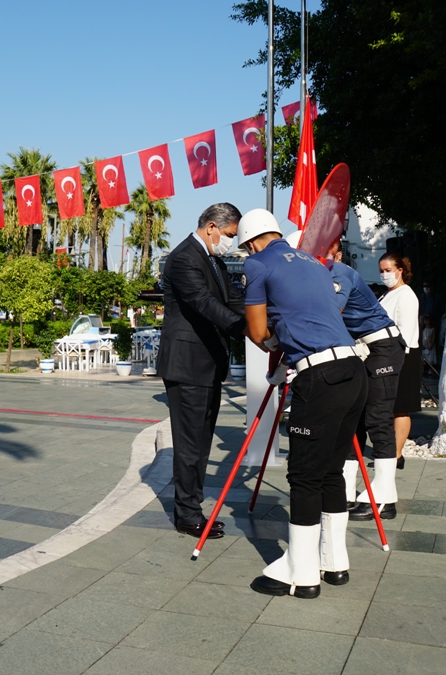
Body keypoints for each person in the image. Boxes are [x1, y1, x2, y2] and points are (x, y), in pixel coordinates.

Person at [238, 210, 367, 599]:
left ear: (250, 242)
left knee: (305, 475)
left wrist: (271, 339)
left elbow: (257, 331)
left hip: (320, 376)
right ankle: (335, 562)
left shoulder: (257, 263)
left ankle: (301, 571)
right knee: (331, 471)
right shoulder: (314, 262)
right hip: (354, 371)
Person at [158, 202, 247, 541]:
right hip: (188, 364)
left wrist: (267, 321)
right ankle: (187, 514)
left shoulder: (214, 260)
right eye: (229, 234)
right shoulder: (184, 258)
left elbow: (234, 299)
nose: (230, 241)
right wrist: (242, 328)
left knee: (201, 443)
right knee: (189, 444)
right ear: (211, 227)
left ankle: (192, 507)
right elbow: (203, 302)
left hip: (209, 365)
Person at [324, 254, 406, 522]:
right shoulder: (318, 277)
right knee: (351, 419)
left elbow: (331, 313)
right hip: (360, 349)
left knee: (378, 418)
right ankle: (346, 490)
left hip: (382, 347)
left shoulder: (339, 273)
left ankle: (384, 497)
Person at [377, 252, 420, 463]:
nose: (384, 274)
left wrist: (395, 356)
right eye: (381, 271)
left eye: (388, 270)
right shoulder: (385, 295)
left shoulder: (406, 295)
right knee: (389, 407)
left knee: (401, 407)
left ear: (400, 270)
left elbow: (406, 330)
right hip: (387, 353)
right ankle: (389, 451)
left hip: (403, 355)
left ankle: (396, 453)